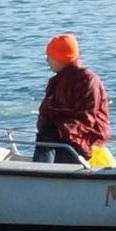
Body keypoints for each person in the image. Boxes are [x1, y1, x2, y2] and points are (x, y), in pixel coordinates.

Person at [34, 31, 109, 165]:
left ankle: (42, 174)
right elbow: (45, 112)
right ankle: (41, 171)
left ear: (60, 58)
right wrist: (46, 126)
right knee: (46, 135)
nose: (47, 60)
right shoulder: (55, 82)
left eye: (49, 56)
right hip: (60, 140)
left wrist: (60, 130)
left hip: (85, 141)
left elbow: (87, 119)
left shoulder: (88, 81)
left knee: (49, 137)